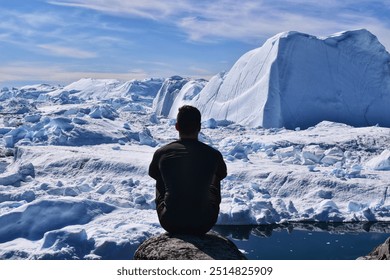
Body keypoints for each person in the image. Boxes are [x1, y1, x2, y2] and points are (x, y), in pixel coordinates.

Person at [149, 105, 227, 235]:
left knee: (161, 176)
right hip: (204, 223)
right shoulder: (213, 154)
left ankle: (172, 208)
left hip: (169, 222)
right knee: (215, 176)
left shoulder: (162, 152)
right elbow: (222, 174)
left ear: (177, 127)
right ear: (199, 127)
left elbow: (153, 174)